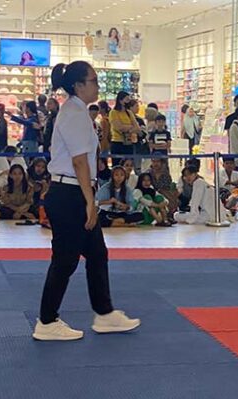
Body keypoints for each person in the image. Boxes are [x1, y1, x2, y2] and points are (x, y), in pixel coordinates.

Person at [35, 61, 140, 341]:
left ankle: (104, 313)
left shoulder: (77, 111)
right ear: (79, 85)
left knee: (96, 253)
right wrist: (90, 202)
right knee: (66, 260)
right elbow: (80, 162)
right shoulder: (73, 113)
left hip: (73, 191)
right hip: (70, 193)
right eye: (93, 80)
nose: (97, 85)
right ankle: (46, 320)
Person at [109, 91, 140, 165]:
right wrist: (130, 127)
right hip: (117, 143)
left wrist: (127, 128)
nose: (128, 102)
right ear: (120, 100)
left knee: (128, 164)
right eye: (126, 99)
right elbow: (118, 127)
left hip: (128, 142)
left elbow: (137, 128)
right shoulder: (113, 112)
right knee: (117, 165)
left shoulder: (129, 112)